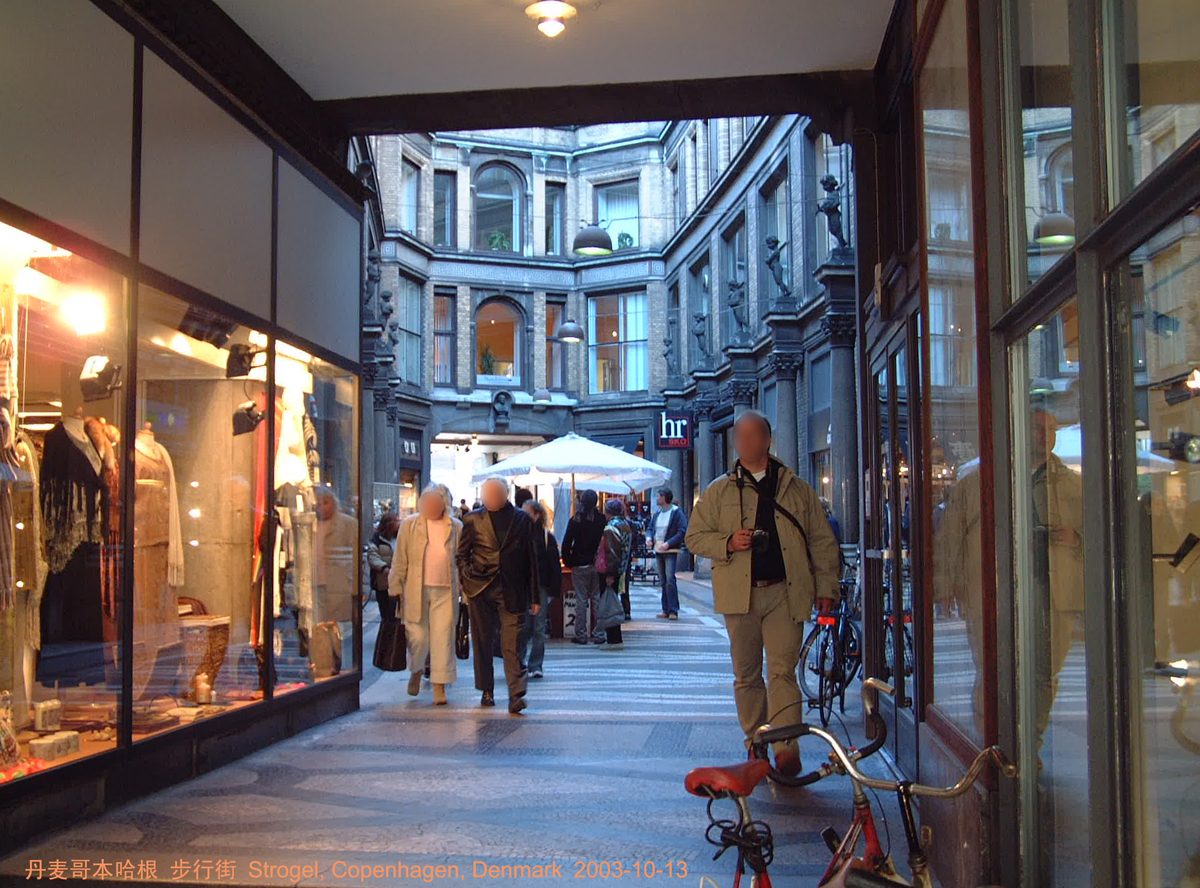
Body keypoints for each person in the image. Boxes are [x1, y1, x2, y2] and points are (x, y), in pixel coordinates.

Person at [685, 410, 840, 776]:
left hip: (786, 592)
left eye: (754, 436)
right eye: (740, 437)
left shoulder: (796, 488)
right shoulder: (719, 490)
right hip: (741, 597)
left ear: (768, 441)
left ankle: (786, 744)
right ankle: (756, 741)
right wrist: (727, 542)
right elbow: (693, 537)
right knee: (747, 674)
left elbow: (821, 541)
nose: (746, 442)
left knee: (783, 671)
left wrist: (826, 587)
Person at [458, 477, 541, 713]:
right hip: (480, 587)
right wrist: (466, 578)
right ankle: (486, 689)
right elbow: (462, 554)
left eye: (496, 494)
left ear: (506, 495)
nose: (492, 498)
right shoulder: (472, 520)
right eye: (488, 495)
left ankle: (516, 693)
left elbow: (531, 559)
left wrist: (534, 596)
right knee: (482, 641)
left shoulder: (522, 519)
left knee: (512, 643)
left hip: (512, 588)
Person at [389, 484, 461, 706]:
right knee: (418, 637)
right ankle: (416, 670)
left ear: (443, 504)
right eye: (427, 502)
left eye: (436, 503)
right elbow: (400, 558)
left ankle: (440, 685)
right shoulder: (410, 525)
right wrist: (395, 585)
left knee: (443, 639)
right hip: (415, 589)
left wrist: (465, 591)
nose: (431, 507)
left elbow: (461, 560)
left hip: (446, 590)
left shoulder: (455, 526)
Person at [561, 489, 606, 645]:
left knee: (581, 599)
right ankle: (599, 633)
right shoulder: (601, 520)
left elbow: (566, 543)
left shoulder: (576, 520)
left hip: (580, 564)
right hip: (597, 563)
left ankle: (581, 634)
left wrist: (569, 561)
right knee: (597, 598)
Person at [521, 499, 560, 678]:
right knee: (525, 626)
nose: (523, 515)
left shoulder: (546, 537)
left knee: (538, 627)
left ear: (536, 515)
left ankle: (535, 664)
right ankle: (520, 661)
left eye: (527, 512)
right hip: (523, 586)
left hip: (541, 586)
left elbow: (554, 566)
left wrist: (554, 590)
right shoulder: (519, 535)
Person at [648, 488, 688, 620]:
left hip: (669, 550)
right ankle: (665, 609)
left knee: (670, 579)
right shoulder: (657, 513)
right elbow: (650, 528)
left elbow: (682, 530)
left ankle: (673, 610)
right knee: (663, 580)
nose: (657, 498)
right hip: (658, 549)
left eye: (659, 496)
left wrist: (669, 543)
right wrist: (649, 538)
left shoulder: (676, 512)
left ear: (665, 498)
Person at [598, 499, 633, 647]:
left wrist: (610, 574)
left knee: (609, 604)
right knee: (614, 600)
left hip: (611, 571)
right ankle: (614, 637)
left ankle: (613, 638)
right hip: (622, 569)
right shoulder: (625, 525)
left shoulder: (611, 528)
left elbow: (612, 552)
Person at [367, 513, 401, 622]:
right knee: (386, 613)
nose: (399, 523)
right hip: (383, 582)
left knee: (397, 613)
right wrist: (384, 568)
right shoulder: (377, 540)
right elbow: (372, 556)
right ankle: (386, 636)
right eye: (396, 521)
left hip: (398, 580)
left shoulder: (400, 538)